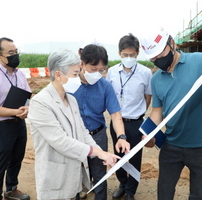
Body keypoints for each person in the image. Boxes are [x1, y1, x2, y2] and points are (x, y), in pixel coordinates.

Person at [140, 27, 202, 200]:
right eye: (152, 58)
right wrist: (148, 135)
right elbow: (157, 112)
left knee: (199, 195)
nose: (157, 60)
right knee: (164, 191)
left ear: (172, 43)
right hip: (172, 145)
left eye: (160, 54)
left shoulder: (200, 60)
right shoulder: (156, 79)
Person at [27, 48, 120, 200]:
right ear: (58, 75)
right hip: (55, 174)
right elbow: (61, 141)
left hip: (73, 172)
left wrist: (105, 154)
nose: (78, 78)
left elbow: (82, 132)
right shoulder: (40, 103)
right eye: (75, 74)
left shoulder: (71, 100)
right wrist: (99, 153)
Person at [73, 44, 130, 200]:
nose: (97, 74)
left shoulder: (104, 86)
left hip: (97, 136)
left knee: (100, 176)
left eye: (101, 70)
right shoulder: (69, 84)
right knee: (74, 176)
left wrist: (121, 137)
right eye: (93, 69)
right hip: (74, 137)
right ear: (82, 63)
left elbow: (116, 115)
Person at [0, 37, 31, 200]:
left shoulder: (20, 74)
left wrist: (27, 108)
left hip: (19, 124)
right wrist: (16, 111)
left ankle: (11, 190)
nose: (15, 56)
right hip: (1, 128)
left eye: (16, 52)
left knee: (16, 160)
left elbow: (29, 96)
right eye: (10, 53)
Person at [106, 33, 152, 200]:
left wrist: (138, 114)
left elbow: (148, 97)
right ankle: (122, 184)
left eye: (132, 55)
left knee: (134, 157)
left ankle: (131, 191)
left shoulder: (145, 73)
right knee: (118, 155)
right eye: (125, 55)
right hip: (116, 122)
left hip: (135, 123)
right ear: (119, 53)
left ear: (137, 53)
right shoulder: (111, 72)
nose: (129, 58)